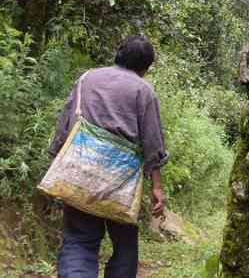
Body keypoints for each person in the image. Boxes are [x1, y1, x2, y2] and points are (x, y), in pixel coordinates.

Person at [49, 34, 168, 278]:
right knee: (124, 243)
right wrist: (157, 187)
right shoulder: (144, 90)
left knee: (79, 241)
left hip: (79, 172)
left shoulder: (87, 78)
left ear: (119, 52)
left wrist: (55, 160)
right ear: (146, 66)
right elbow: (152, 142)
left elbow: (65, 124)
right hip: (122, 180)